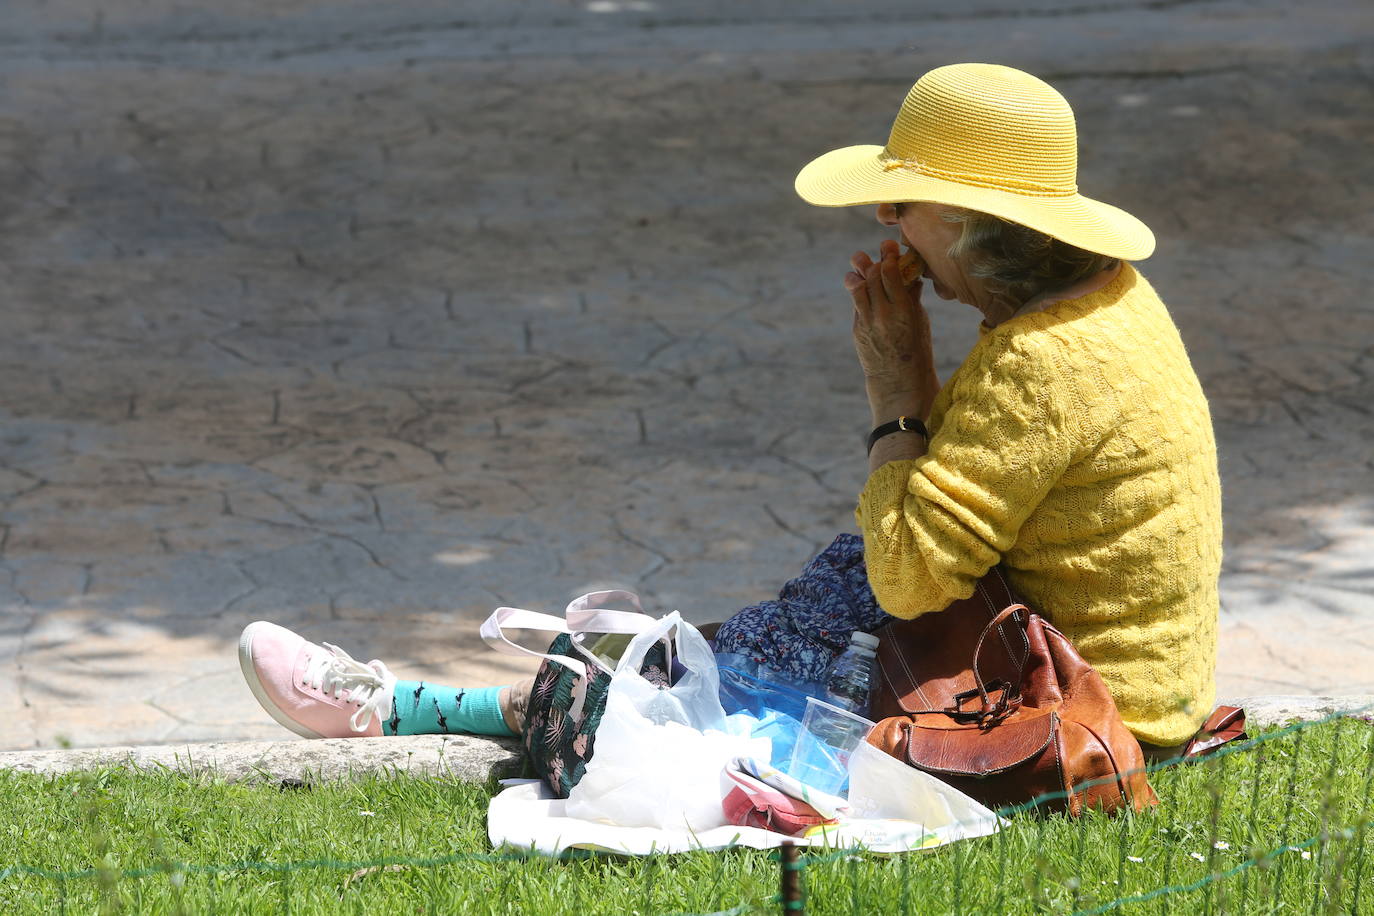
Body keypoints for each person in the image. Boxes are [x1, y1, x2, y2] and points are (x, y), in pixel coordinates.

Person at [238, 63, 1221, 759]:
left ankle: (399, 706)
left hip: (1065, 708)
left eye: (898, 208)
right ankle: (539, 679)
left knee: (728, 683)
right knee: (804, 608)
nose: (889, 229)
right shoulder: (1107, 303)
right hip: (1092, 674)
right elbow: (923, 545)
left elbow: (913, 577)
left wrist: (895, 391)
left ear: (960, 227)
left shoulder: (1039, 364)